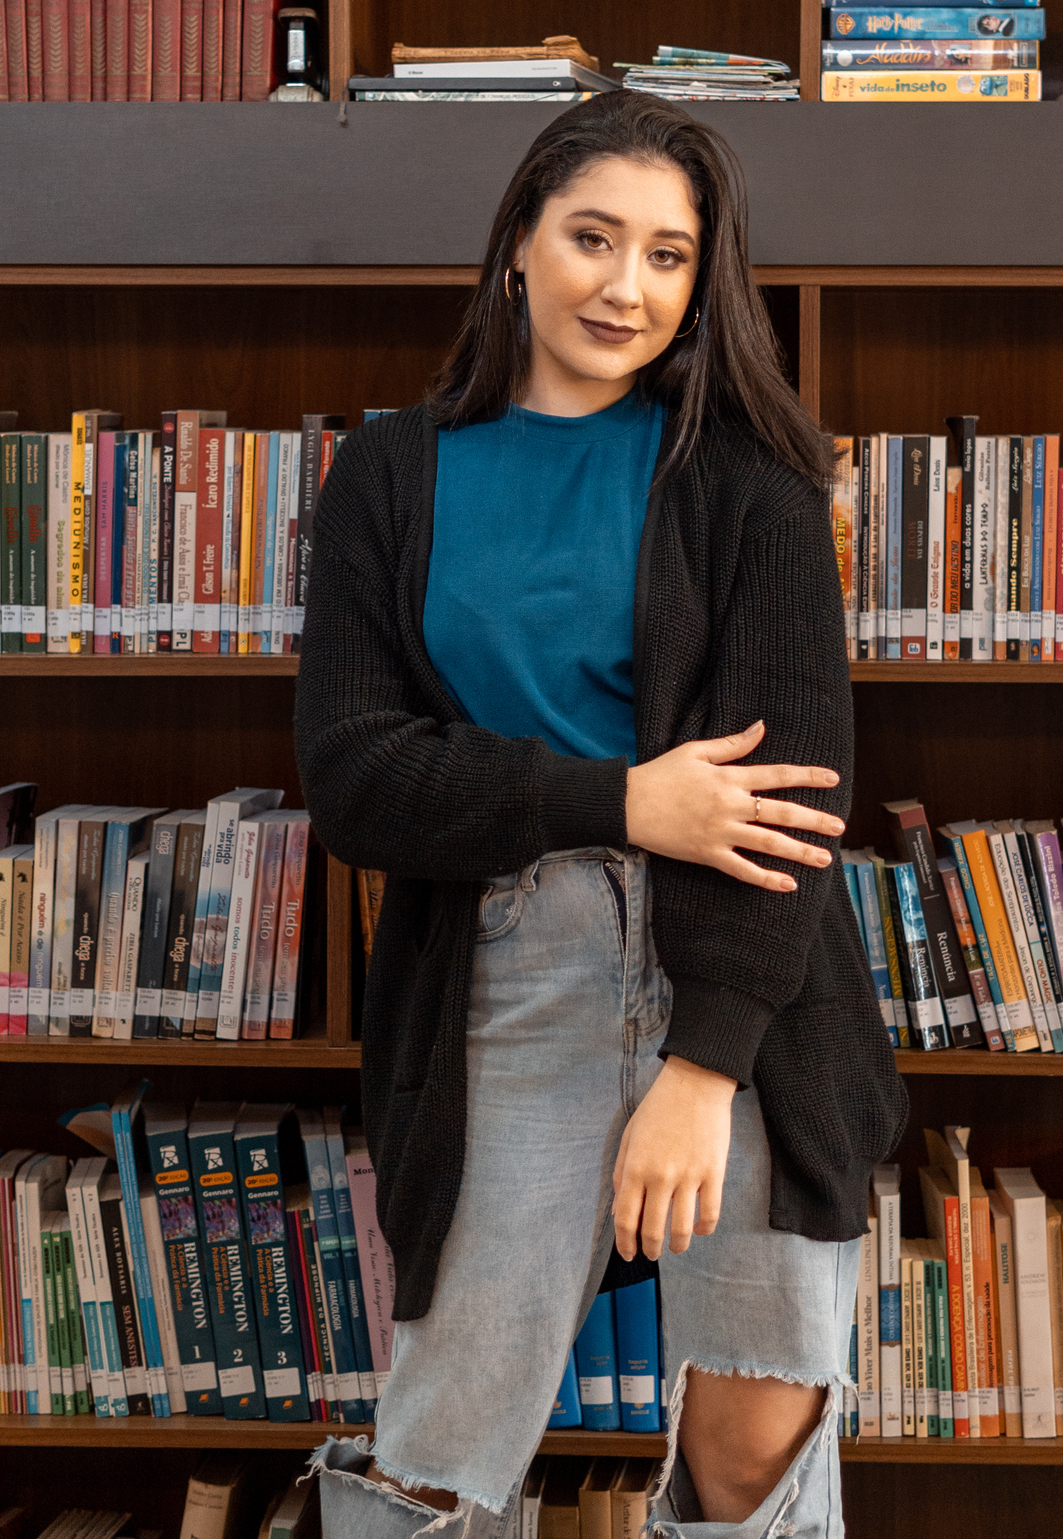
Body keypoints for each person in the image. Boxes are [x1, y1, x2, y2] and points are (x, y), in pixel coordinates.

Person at [295, 91, 907, 1539]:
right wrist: (627, 797)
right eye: (590, 237)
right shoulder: (392, 472)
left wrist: (702, 1074)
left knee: (755, 1447)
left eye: (669, 255)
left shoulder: (749, 480)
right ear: (517, 242)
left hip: (747, 1001)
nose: (624, 287)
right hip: (508, 979)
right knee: (438, 1452)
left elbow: (790, 806)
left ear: (705, 281)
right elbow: (356, 778)